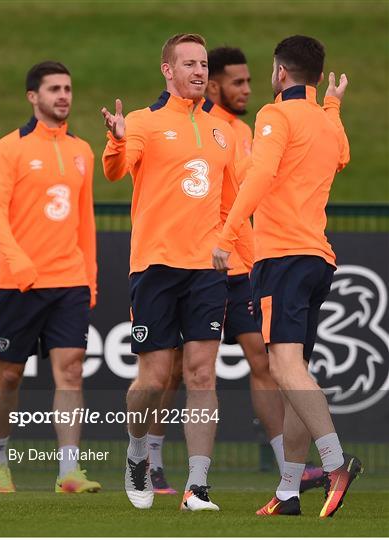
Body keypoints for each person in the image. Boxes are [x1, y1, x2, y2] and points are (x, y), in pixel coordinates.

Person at [147, 45, 324, 495]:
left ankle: (290, 466)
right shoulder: (200, 128)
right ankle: (150, 457)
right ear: (214, 85)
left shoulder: (247, 128)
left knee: (265, 361)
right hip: (198, 261)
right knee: (172, 370)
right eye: (236, 81)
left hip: (240, 264)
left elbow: (251, 192)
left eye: (250, 80)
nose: (244, 88)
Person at [212, 35, 362, 518]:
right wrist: (333, 106)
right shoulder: (324, 119)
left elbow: (258, 176)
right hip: (319, 260)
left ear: (280, 74)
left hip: (283, 257)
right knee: (297, 372)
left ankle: (335, 463)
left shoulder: (274, 116)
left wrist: (228, 233)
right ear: (318, 77)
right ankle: (290, 490)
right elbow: (341, 155)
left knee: (284, 367)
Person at [101, 33, 252, 511]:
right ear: (167, 69)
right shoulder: (144, 122)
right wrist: (117, 139)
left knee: (203, 373)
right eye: (189, 64)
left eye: (204, 64)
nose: (200, 72)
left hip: (207, 267)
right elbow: (116, 169)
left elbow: (233, 203)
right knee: (154, 377)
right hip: (155, 265)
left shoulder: (221, 131)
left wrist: (243, 254)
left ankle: (197, 487)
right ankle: (136, 453)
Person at [0, 61, 100, 494]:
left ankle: (69, 470)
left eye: (68, 88)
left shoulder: (82, 150)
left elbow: (85, 221)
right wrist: (17, 259)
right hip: (16, 281)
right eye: (54, 89)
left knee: (70, 372)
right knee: (8, 375)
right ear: (33, 97)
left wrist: (89, 277)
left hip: (67, 279)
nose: (63, 95)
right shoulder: (8, 148)